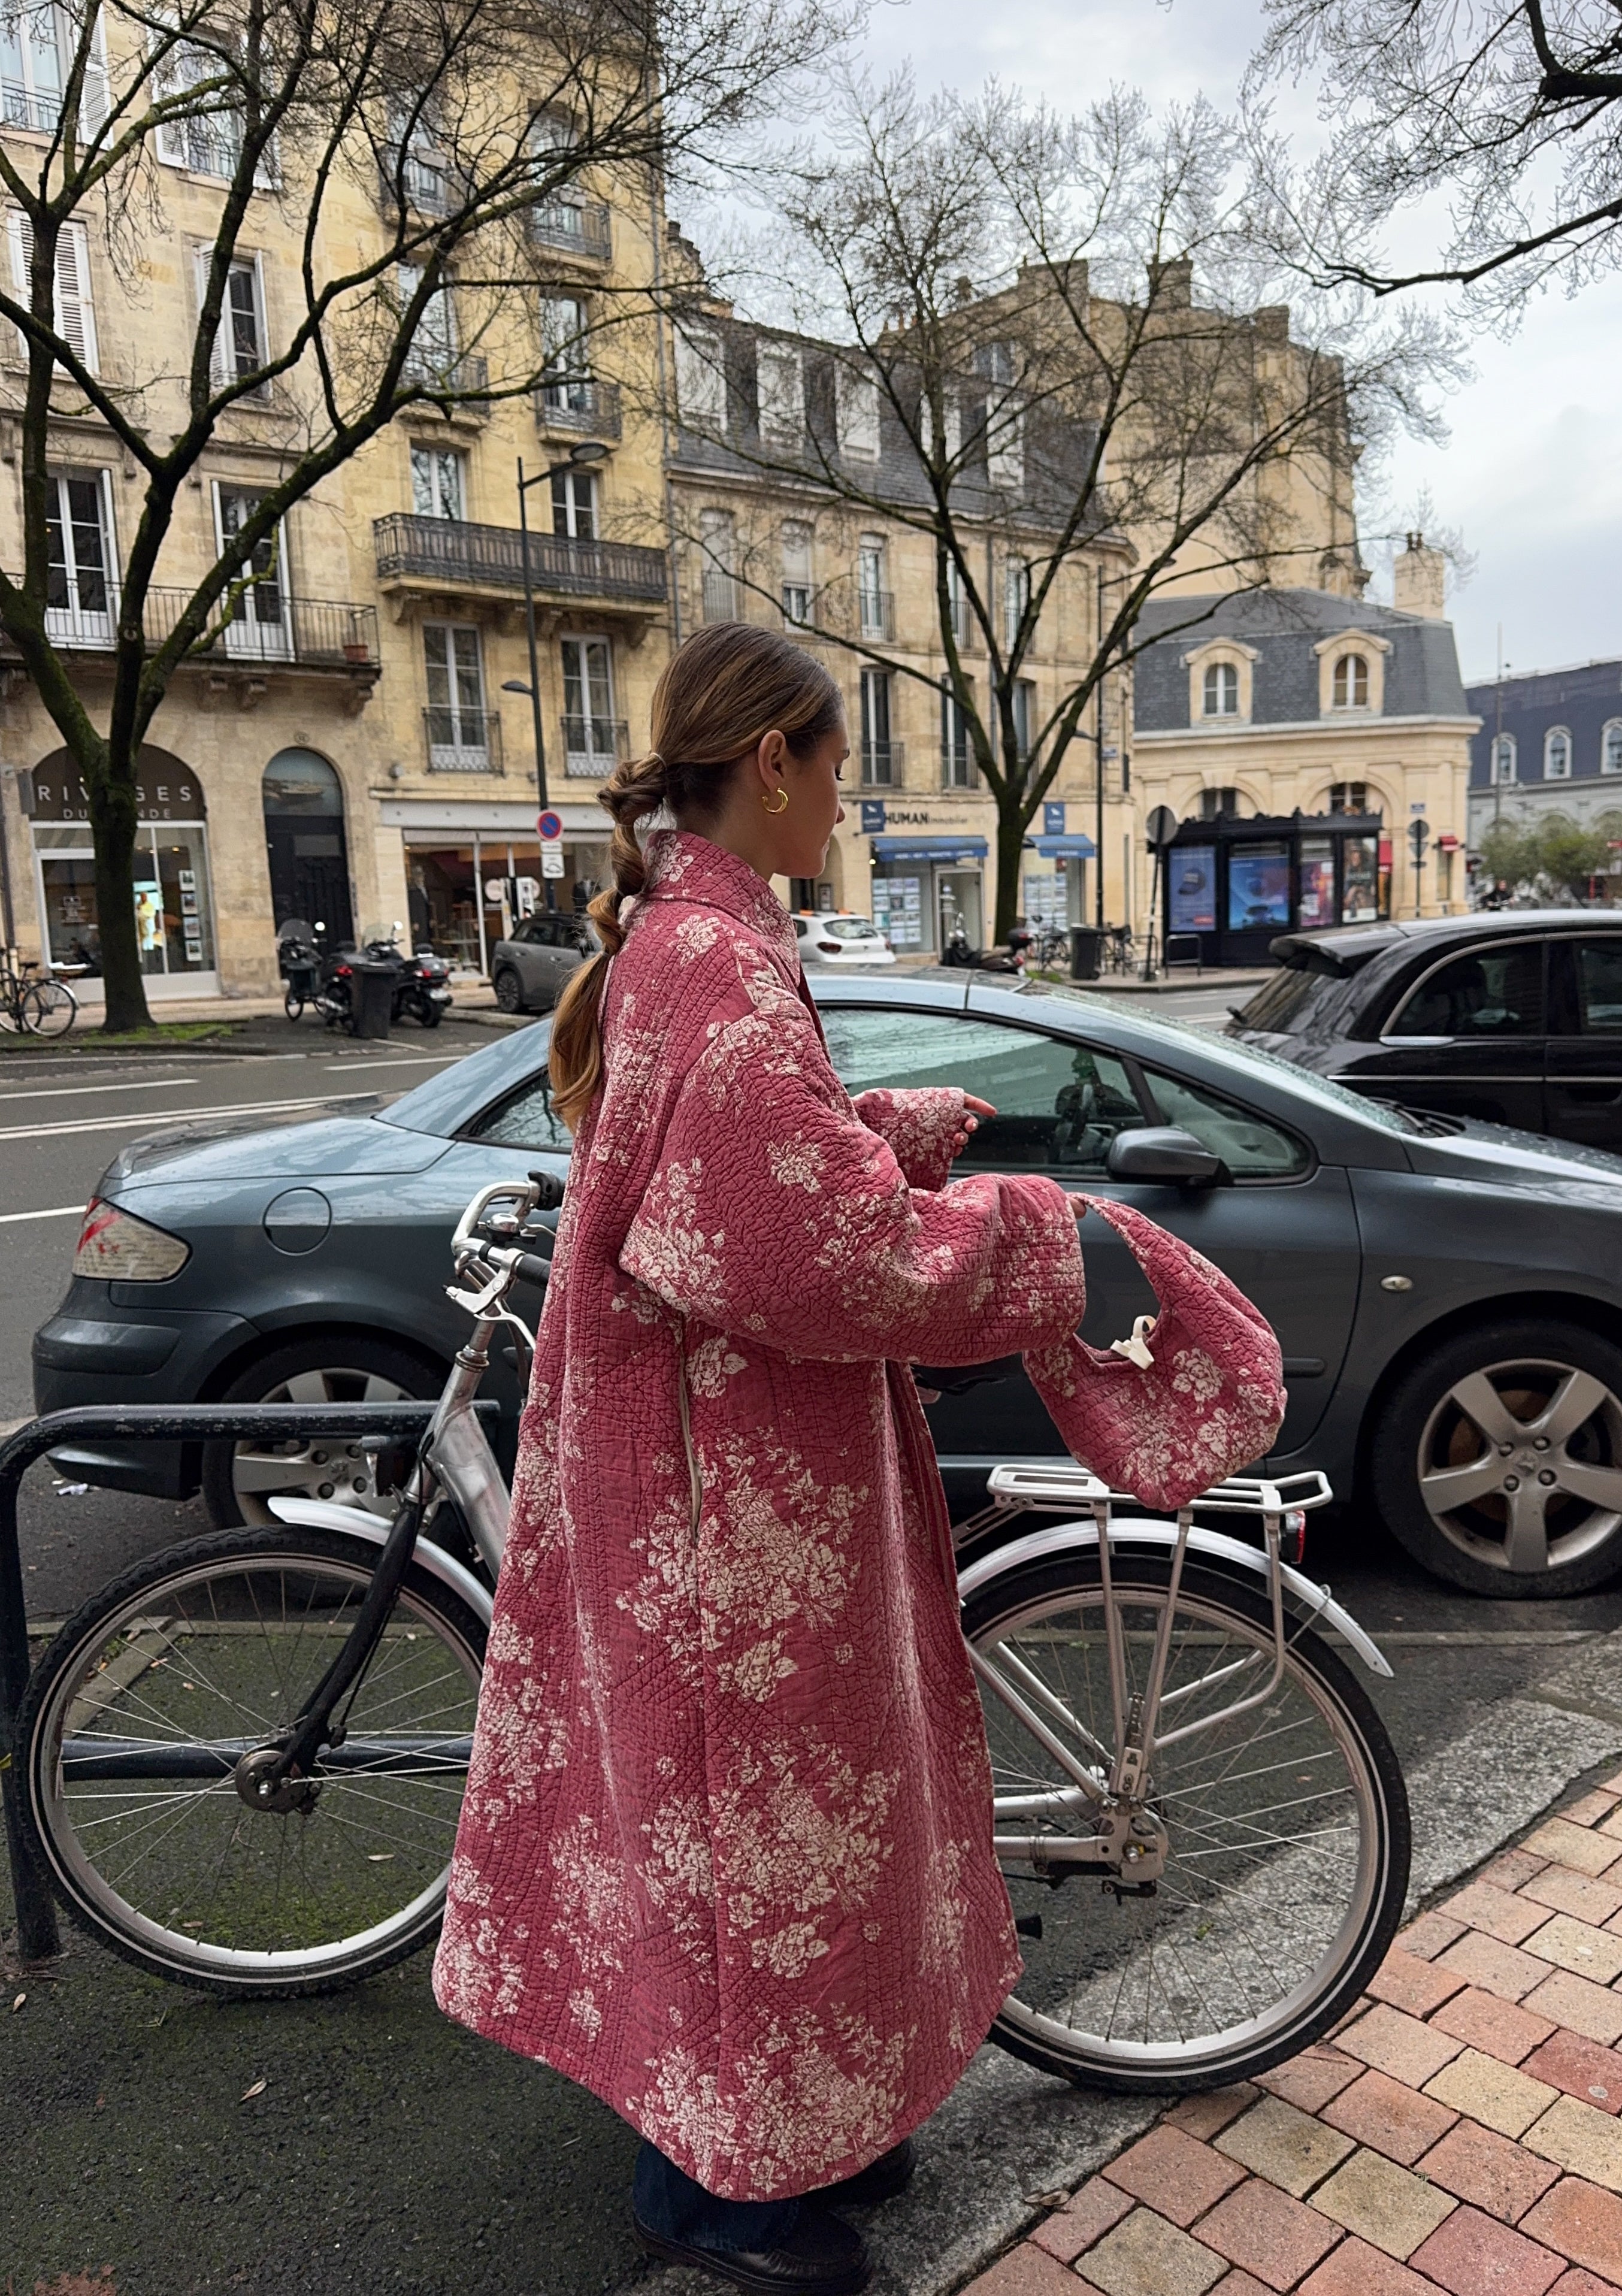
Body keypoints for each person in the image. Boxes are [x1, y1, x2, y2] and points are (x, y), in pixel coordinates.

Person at [432, 624, 1094, 2295]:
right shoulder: (715, 957)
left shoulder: (691, 940)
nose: (849, 797)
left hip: (719, 1470)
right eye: (838, 759)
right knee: (746, 1835)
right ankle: (709, 2186)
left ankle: (794, 2127)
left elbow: (720, 1188)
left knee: (754, 1828)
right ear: (774, 760)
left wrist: (881, 1135)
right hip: (723, 1494)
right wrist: (1029, 1237)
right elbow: (805, 1261)